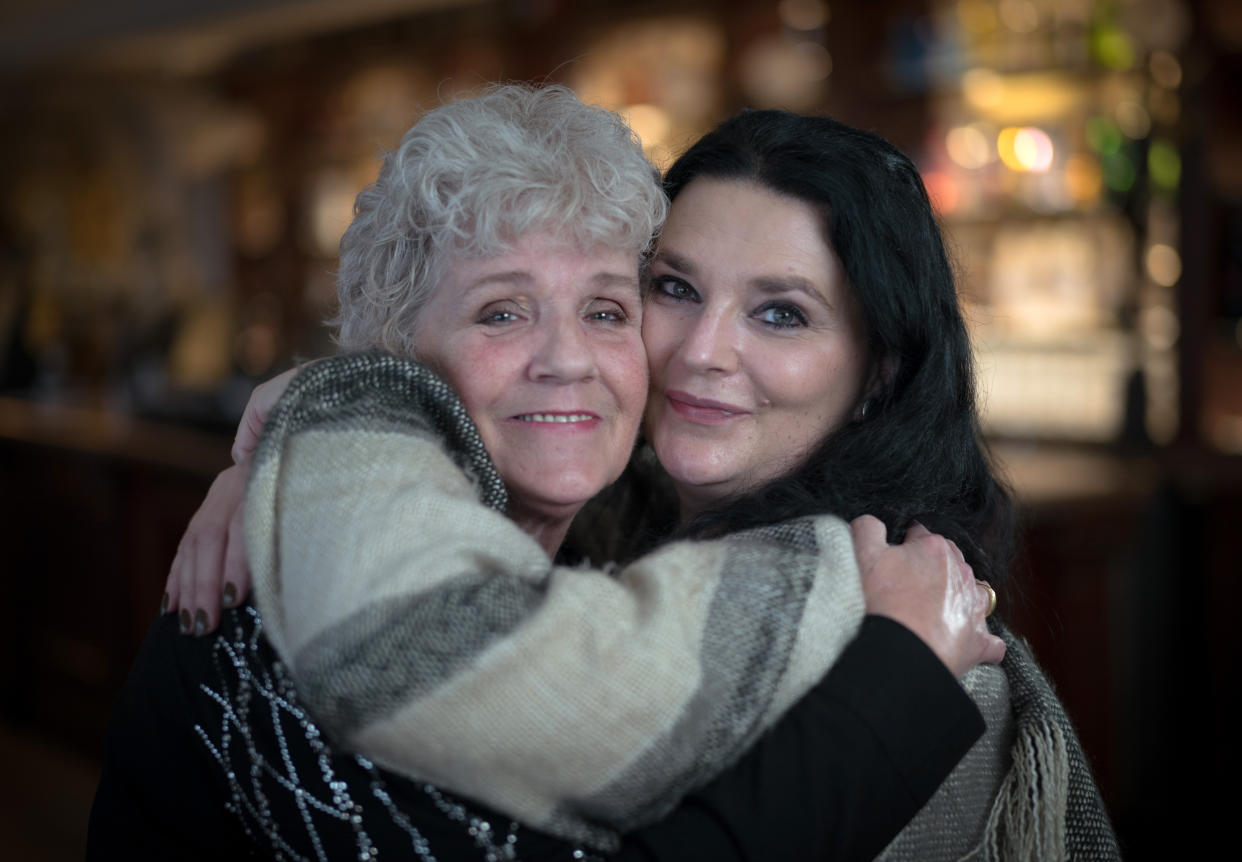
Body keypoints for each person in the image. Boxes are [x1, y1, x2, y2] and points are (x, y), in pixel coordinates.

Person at [89, 84, 998, 862]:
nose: (569, 359)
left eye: (607, 308)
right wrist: (312, 416)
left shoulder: (824, 589)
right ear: (398, 355)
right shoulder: (308, 605)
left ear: (881, 365)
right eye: (500, 313)